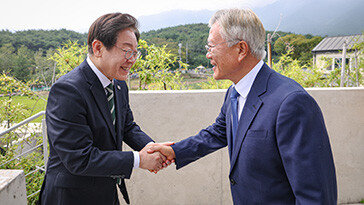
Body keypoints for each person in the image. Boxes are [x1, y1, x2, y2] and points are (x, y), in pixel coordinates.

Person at [148, 8, 337, 204]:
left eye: (211, 46)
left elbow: (315, 196)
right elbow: (217, 133)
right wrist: (176, 151)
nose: (207, 55)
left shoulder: (292, 103)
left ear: (241, 49)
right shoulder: (234, 93)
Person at [38, 13, 170, 205]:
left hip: (105, 191)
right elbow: (79, 158)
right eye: (126, 51)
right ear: (98, 48)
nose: (132, 59)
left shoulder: (118, 84)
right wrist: (138, 160)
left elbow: (127, 127)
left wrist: (153, 148)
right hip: (71, 197)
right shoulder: (68, 90)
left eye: (135, 52)